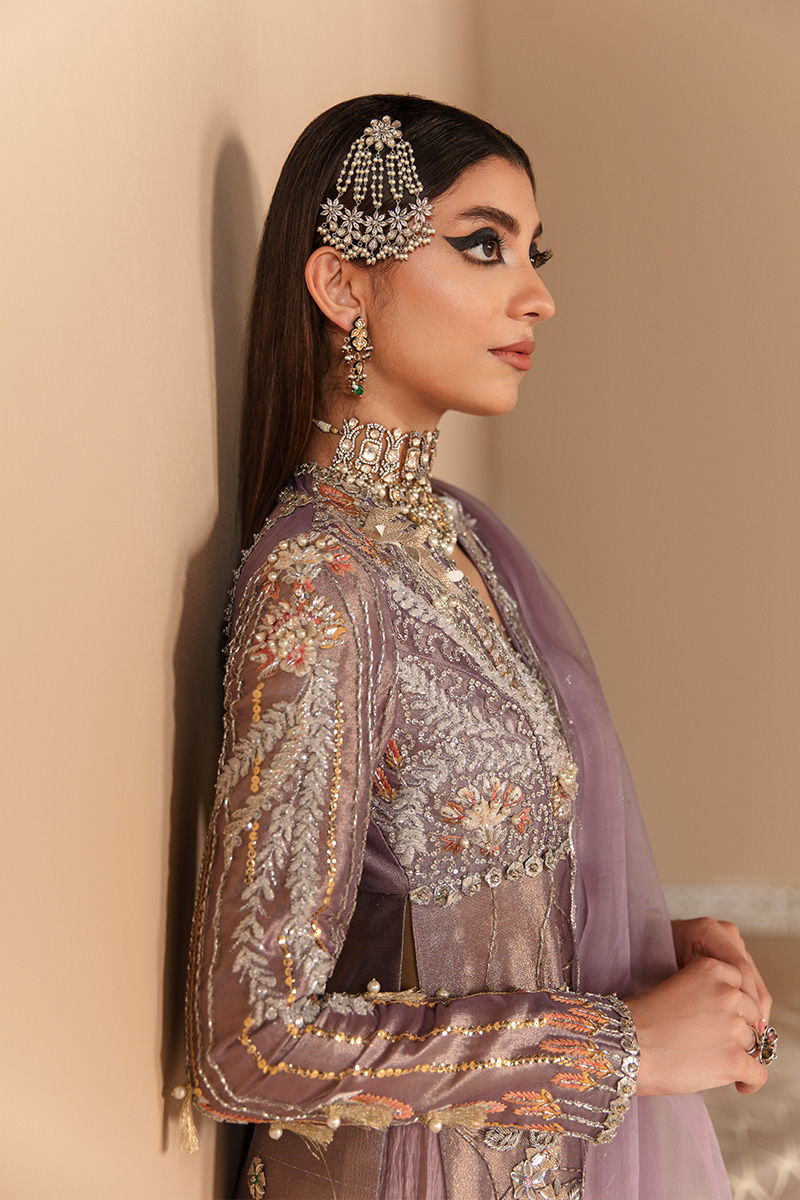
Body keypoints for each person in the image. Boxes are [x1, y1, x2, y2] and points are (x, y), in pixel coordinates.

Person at [184, 94, 776, 1200]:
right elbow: (249, 1046)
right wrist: (619, 1047)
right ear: (341, 286)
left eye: (531, 253)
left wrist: (657, 950)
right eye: (483, 244)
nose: (536, 295)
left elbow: (453, 895)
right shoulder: (322, 580)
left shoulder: (459, 546)